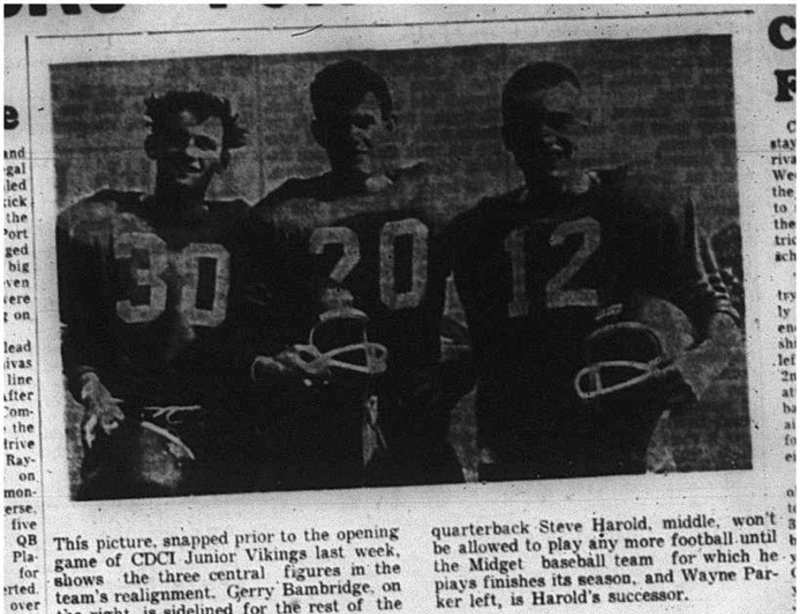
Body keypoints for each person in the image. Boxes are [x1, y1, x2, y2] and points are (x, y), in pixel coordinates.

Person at [451, 62, 741, 481]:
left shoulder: (640, 206)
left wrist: (700, 366)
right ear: (508, 138)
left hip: (623, 440)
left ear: (586, 124)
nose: (544, 138)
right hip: (520, 449)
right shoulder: (481, 230)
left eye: (559, 122)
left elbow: (716, 311)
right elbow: (479, 346)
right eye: (527, 127)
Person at [247, 60, 471, 490]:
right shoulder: (287, 210)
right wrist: (278, 361)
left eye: (364, 122)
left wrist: (459, 370)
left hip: (414, 410)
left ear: (389, 124)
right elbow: (249, 310)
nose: (352, 135)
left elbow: (491, 275)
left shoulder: (431, 194)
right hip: (324, 414)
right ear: (318, 132)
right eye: (338, 124)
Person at [58, 90, 257, 498]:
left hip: (222, 427)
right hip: (134, 426)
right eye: (176, 139)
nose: (188, 152)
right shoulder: (103, 222)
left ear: (223, 159)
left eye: (204, 143)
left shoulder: (244, 228)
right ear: (153, 145)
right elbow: (80, 333)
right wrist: (93, 391)